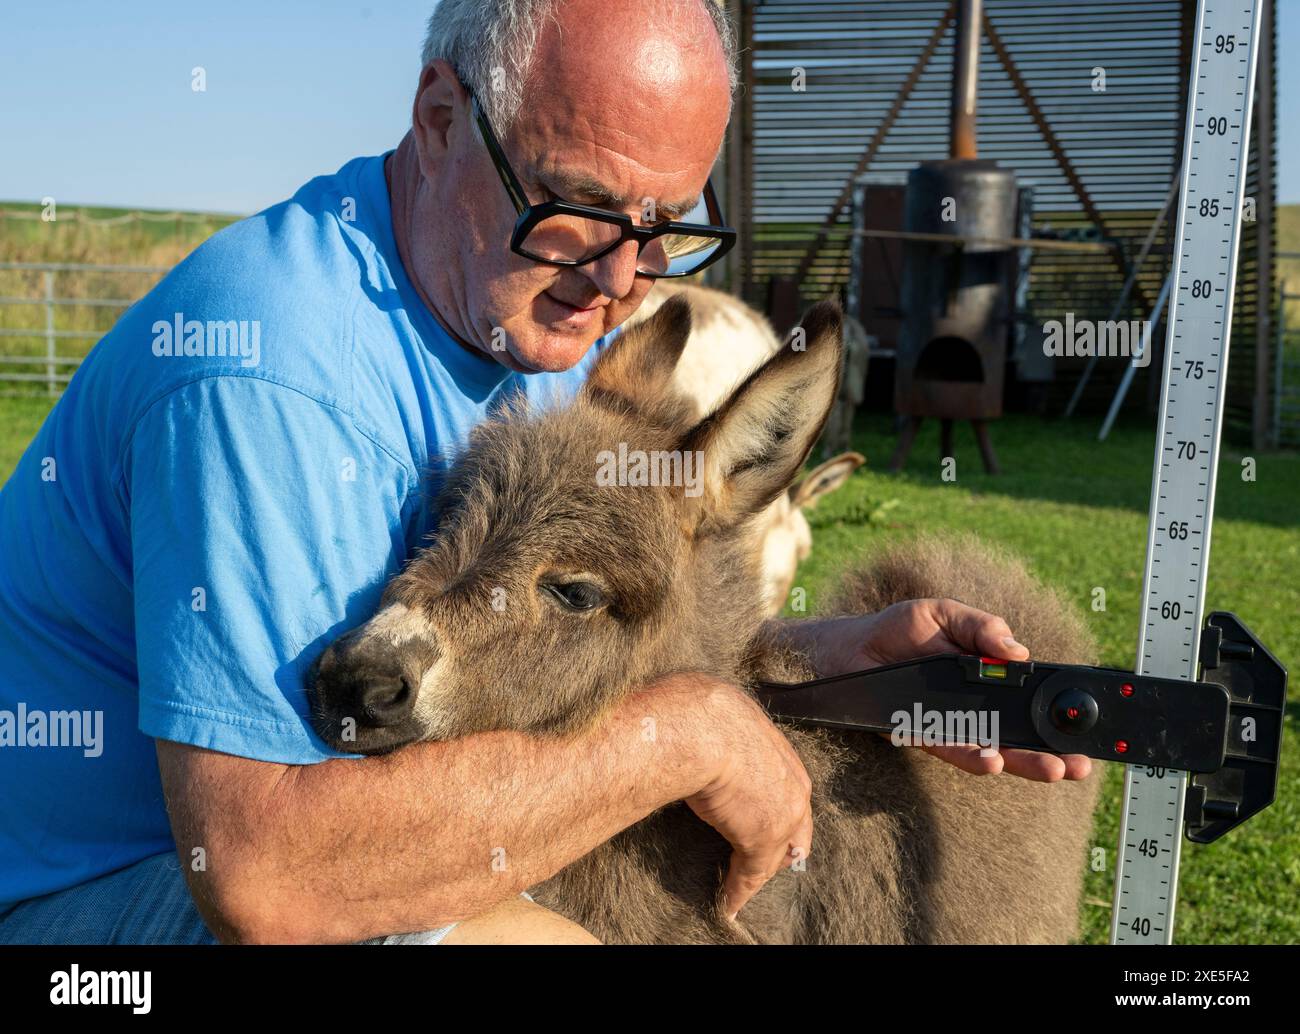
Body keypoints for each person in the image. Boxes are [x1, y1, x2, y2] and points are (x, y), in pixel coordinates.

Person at [0, 0, 1089, 945]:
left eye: (664, 229)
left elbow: (550, 627)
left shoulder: (509, 315)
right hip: (85, 904)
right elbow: (264, 879)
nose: (620, 279)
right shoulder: (274, 375)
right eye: (580, 202)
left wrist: (819, 665)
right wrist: (683, 731)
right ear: (439, 120)